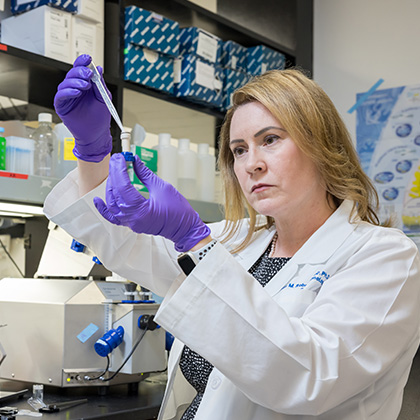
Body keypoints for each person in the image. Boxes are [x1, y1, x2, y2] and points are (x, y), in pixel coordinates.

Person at [44, 54, 420, 420]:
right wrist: (93, 152)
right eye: (239, 150)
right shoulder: (239, 239)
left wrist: (192, 239)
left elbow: (311, 377)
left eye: (270, 139)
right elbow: (126, 242)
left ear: (321, 144)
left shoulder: (386, 258)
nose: (252, 163)